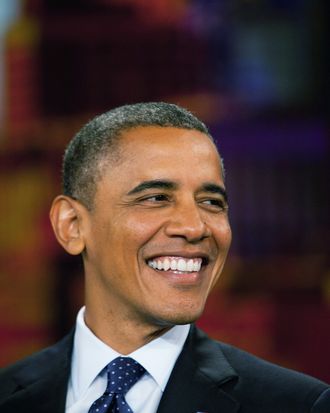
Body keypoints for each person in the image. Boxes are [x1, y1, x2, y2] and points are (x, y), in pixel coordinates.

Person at [0, 102, 329, 413]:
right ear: (72, 226)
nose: (194, 226)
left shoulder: (297, 404)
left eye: (212, 202)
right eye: (156, 197)